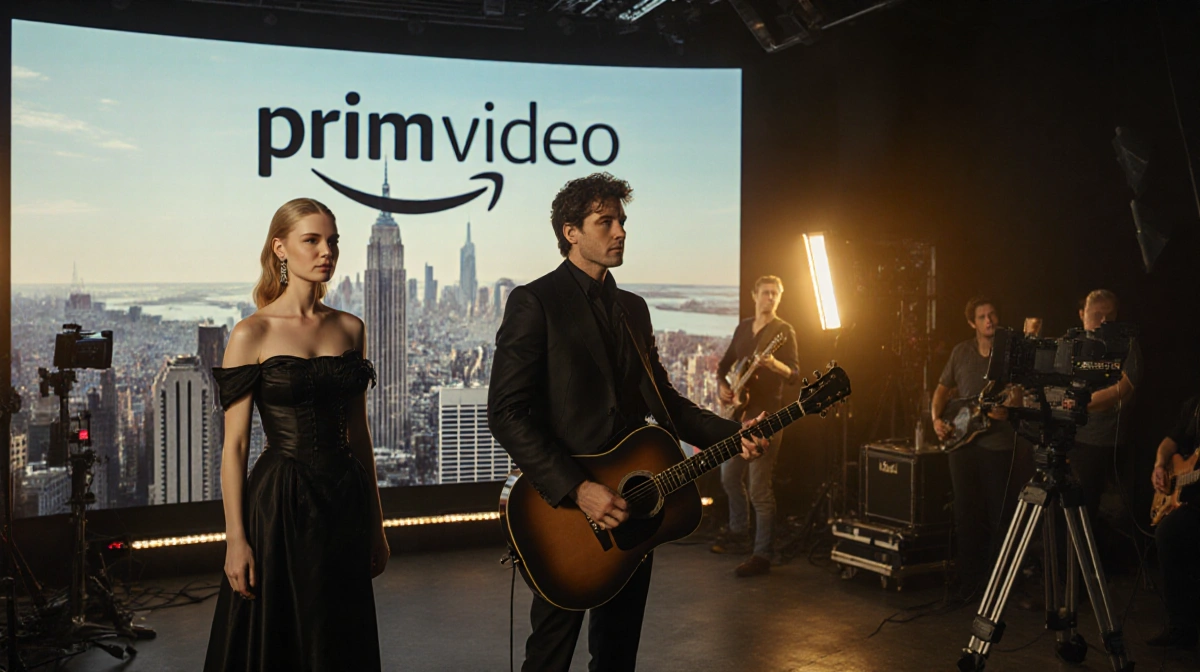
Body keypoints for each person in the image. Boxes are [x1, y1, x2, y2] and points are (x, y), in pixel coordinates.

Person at [488, 173, 769, 672]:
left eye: (622, 221)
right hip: (565, 515)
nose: (620, 231)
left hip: (637, 504)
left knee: (617, 657)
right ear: (570, 232)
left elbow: (668, 405)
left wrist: (734, 434)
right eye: (606, 221)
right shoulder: (535, 301)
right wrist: (579, 489)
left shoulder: (634, 309)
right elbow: (506, 413)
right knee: (549, 655)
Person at [204, 198, 389, 672]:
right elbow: (236, 447)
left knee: (339, 637)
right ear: (280, 249)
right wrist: (235, 540)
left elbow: (359, 431)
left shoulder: (350, 328)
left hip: (344, 501)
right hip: (279, 504)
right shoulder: (252, 332)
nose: (326, 250)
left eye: (333, 241)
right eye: (312, 240)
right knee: (279, 638)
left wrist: (377, 523)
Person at [932, 296, 1019, 598]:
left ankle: (1003, 585)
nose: (989, 320)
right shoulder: (961, 352)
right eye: (982, 316)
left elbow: (1021, 394)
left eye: (992, 314)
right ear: (972, 323)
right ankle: (970, 582)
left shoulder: (1009, 354)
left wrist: (1009, 408)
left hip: (998, 444)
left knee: (1001, 513)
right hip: (962, 444)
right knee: (966, 513)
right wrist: (935, 420)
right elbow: (942, 390)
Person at [712, 275, 799, 577]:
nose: (770, 298)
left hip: (768, 418)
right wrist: (724, 387)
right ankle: (739, 531)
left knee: (760, 488)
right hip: (739, 418)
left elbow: (795, 374)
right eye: (765, 293)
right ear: (754, 295)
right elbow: (723, 367)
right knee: (729, 476)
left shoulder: (783, 331)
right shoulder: (743, 328)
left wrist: (774, 364)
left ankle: (762, 554)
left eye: (775, 293)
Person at [1070, 289, 1141, 524]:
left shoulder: (1126, 344)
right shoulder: (1073, 343)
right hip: (1074, 438)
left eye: (1109, 316)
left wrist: (1083, 404)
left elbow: (1126, 387)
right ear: (1082, 314)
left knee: (1100, 509)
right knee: (1072, 506)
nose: (1103, 321)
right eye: (1097, 314)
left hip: (1107, 440)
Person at [1147, 395, 1200, 648]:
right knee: (1168, 532)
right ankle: (1181, 626)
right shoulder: (1194, 404)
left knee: (1173, 532)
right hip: (1191, 495)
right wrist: (1159, 466)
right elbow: (1172, 440)